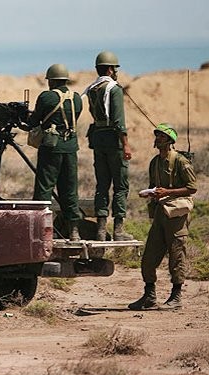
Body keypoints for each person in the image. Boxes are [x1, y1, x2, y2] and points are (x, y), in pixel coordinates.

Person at [128, 124, 197, 310]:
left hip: (177, 215)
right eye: (157, 135)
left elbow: (192, 188)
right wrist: (150, 193)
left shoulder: (181, 162)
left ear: (169, 141)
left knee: (176, 256)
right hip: (160, 214)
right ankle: (149, 296)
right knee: (149, 257)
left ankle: (176, 297)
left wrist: (168, 191)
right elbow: (154, 185)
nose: (157, 139)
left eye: (161, 136)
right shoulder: (155, 162)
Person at [28, 63, 83, 241]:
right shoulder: (76, 98)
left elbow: (34, 121)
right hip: (70, 148)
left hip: (51, 148)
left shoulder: (47, 97)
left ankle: (41, 230)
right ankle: (74, 230)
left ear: (51, 81)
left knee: (44, 188)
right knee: (70, 189)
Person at [83, 51, 133, 241]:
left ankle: (101, 230)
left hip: (98, 138)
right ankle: (119, 230)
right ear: (111, 69)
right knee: (120, 186)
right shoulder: (114, 88)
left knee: (102, 185)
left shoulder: (92, 88)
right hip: (113, 140)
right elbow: (119, 120)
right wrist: (126, 144)